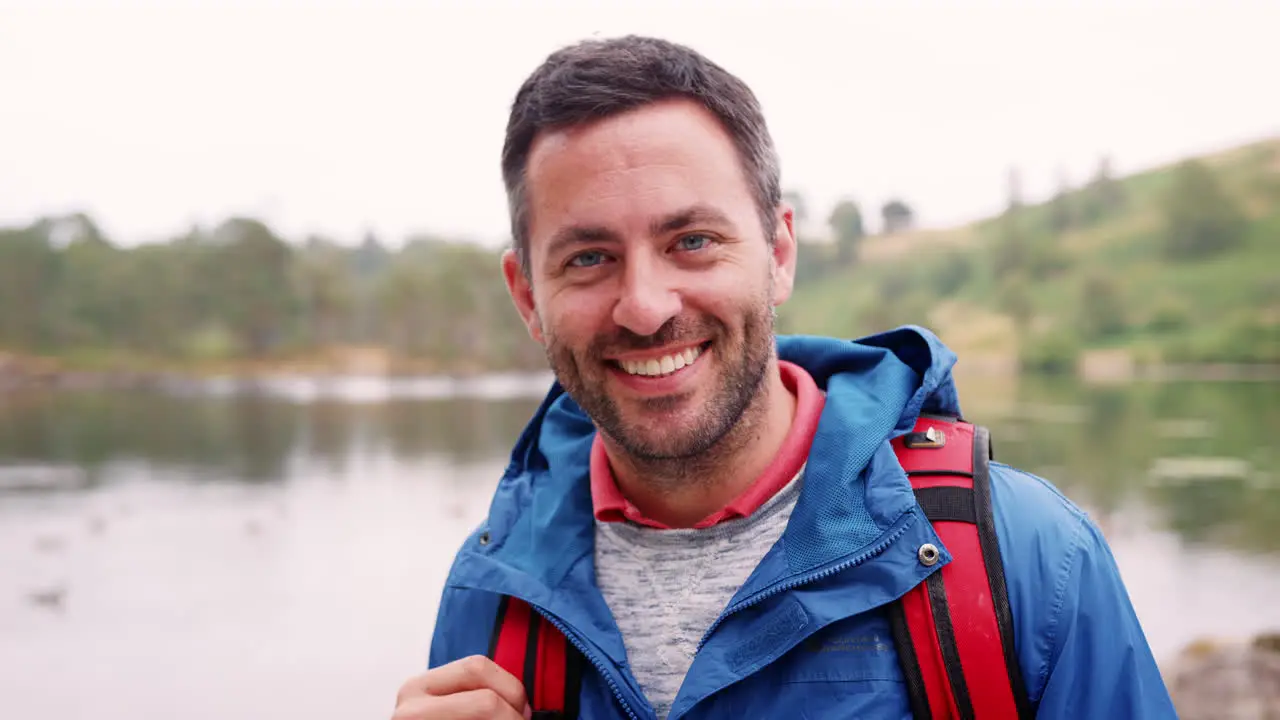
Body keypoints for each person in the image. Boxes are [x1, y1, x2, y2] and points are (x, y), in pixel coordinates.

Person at [391, 35, 1177, 720]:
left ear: (779, 252)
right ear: (528, 296)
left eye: (692, 241)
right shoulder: (492, 595)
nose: (644, 306)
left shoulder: (1028, 558)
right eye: (588, 258)